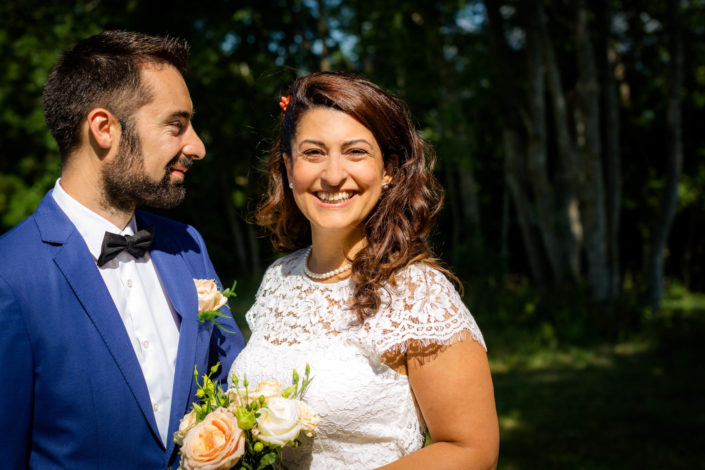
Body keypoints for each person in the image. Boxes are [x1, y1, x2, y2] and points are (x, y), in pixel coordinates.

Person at [229, 72, 499, 469]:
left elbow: (471, 451)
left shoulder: (419, 292)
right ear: (289, 168)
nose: (334, 174)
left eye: (355, 152)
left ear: (388, 169)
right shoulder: (278, 278)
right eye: (313, 153)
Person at [0, 30, 244, 469]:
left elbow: (237, 388)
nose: (197, 147)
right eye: (177, 125)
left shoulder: (188, 246)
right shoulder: (10, 274)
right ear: (104, 128)